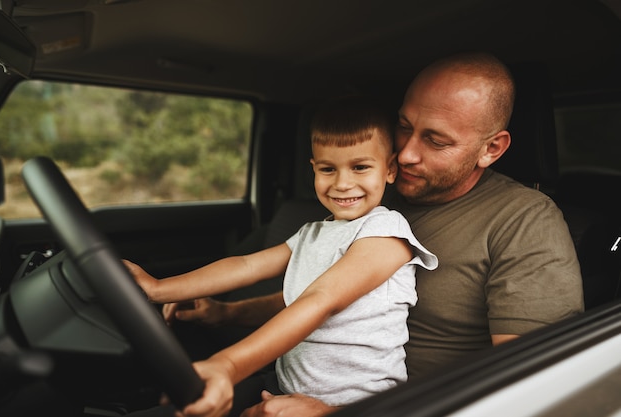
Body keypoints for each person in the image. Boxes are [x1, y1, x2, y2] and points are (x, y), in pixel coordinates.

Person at [162, 52, 585, 417]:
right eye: (404, 126)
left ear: (491, 149)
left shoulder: (525, 222)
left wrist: (340, 413)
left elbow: (526, 388)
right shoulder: (380, 195)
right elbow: (329, 297)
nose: (405, 154)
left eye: (436, 141)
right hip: (293, 386)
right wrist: (226, 314)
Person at [125, 96, 438, 417]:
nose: (343, 183)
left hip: (358, 404)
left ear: (389, 170)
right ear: (313, 169)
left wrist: (227, 365)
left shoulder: (386, 229)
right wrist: (158, 288)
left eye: (360, 167)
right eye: (328, 169)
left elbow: (322, 299)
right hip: (284, 388)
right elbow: (247, 265)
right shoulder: (312, 232)